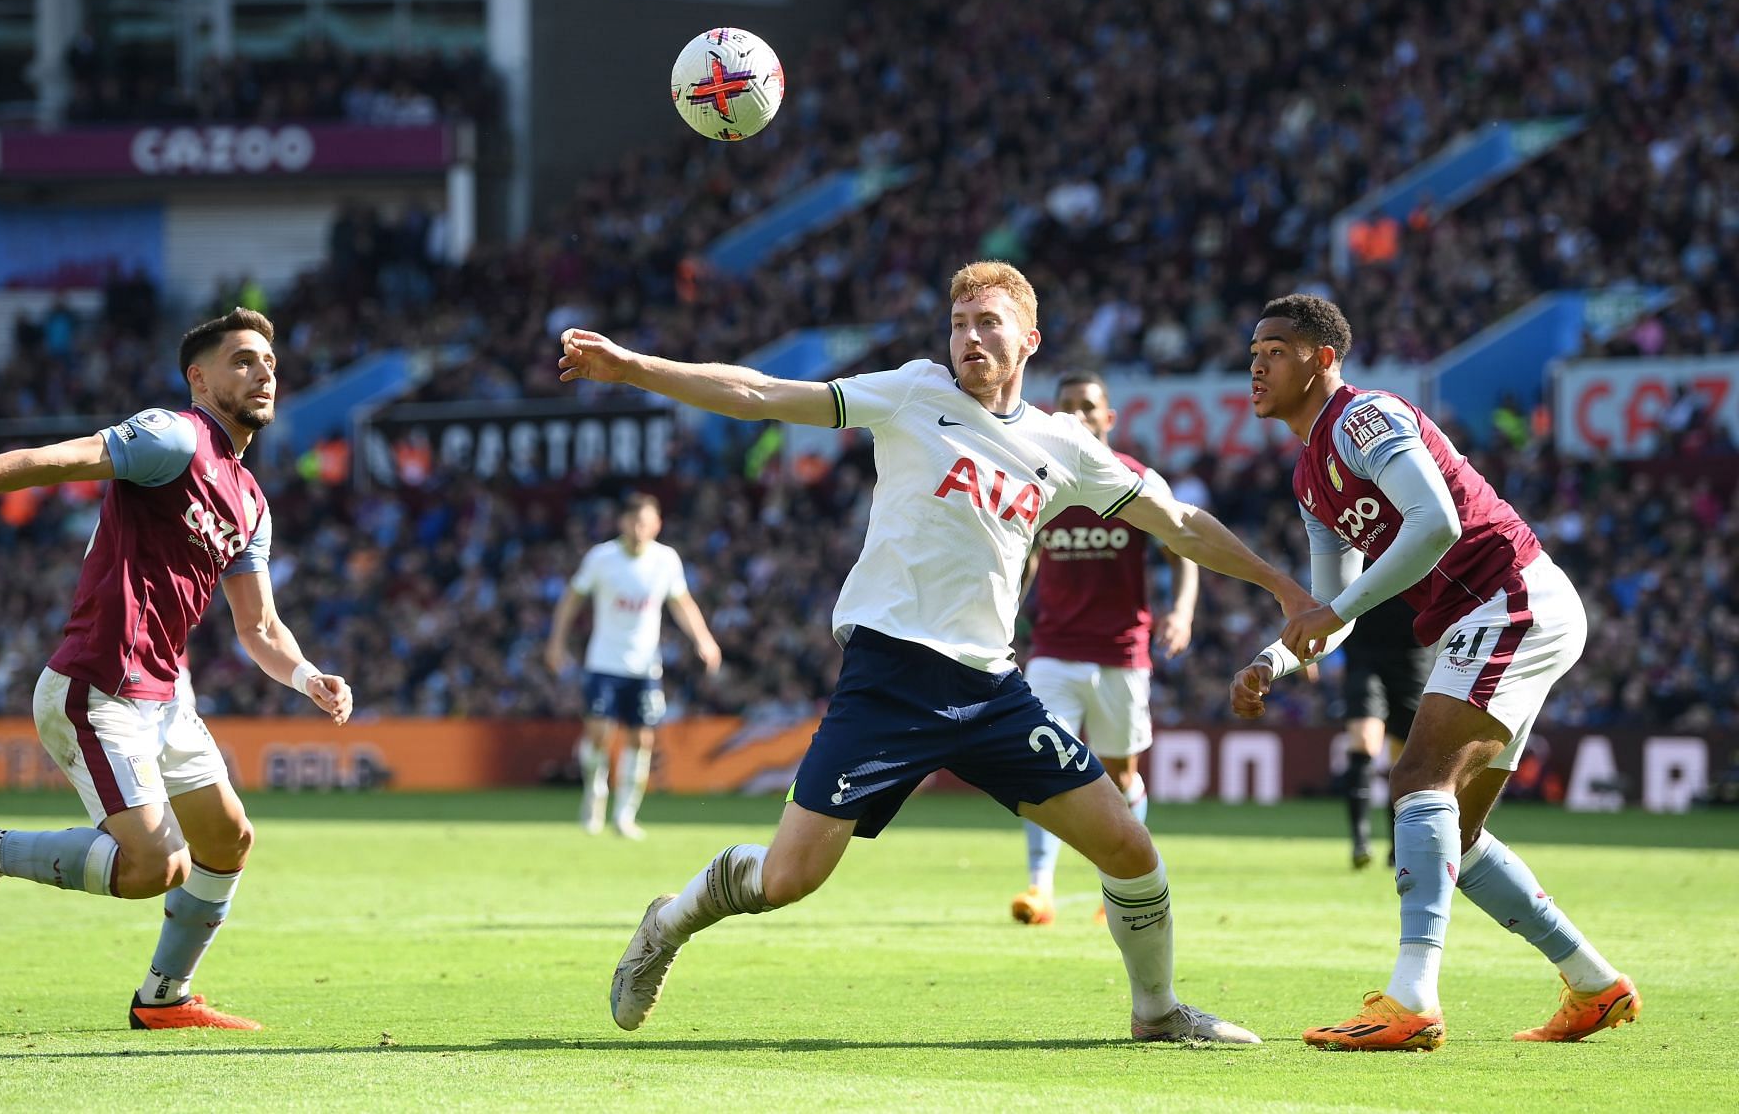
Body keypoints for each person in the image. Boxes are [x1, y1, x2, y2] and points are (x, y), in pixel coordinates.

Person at [561, 261, 1315, 1043]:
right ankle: (669, 920)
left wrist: (1282, 588)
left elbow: (1181, 522)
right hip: (890, 678)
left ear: (1030, 340)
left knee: (1129, 846)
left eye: (988, 322)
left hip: (992, 689)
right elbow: (759, 392)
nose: (969, 338)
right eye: (959, 324)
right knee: (788, 878)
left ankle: (1156, 1012)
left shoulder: (1065, 444)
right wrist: (632, 368)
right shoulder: (915, 392)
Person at [0, 308, 354, 1031]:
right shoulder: (174, 435)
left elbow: (257, 626)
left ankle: (165, 996)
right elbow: (62, 457)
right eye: (243, 360)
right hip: (97, 686)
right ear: (200, 376)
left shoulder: (251, 501)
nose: (263, 372)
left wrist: (307, 673)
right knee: (159, 866)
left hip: (164, 695)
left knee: (228, 839)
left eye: (269, 363)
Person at [1232, 294, 1639, 1050]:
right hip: (1498, 610)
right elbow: (1334, 609)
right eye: (1253, 350)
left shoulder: (1364, 418)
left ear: (1323, 358)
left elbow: (1438, 521)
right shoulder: (1309, 476)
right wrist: (1274, 659)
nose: (1257, 362)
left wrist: (1331, 612)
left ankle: (1413, 999)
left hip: (1507, 596)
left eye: (1277, 348)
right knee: (1462, 827)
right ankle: (1593, 982)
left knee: (1418, 779)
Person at [1010, 371, 1198, 926]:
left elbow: (1180, 546)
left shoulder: (1134, 480)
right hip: (1053, 649)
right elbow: (1028, 557)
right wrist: (1005, 612)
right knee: (1041, 768)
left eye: (1088, 407)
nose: (1077, 416)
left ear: (1108, 418)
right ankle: (1039, 889)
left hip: (1121, 653)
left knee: (1119, 778)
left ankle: (1121, 884)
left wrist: (1182, 611)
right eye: (1066, 406)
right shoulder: (1041, 480)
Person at [546, 492, 722, 839]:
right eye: (634, 521)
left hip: (644, 667)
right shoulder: (602, 558)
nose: (640, 528)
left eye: (647, 522)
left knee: (641, 739)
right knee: (599, 734)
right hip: (604, 662)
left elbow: (682, 602)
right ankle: (594, 792)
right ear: (623, 522)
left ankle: (625, 815)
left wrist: (704, 639)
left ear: (657, 524)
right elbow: (572, 598)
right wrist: (556, 642)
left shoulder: (666, 560)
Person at [1338, 597, 1428, 869]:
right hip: (1364, 654)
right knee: (1364, 739)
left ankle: (1397, 849)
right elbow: (1327, 587)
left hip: (1414, 654)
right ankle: (1360, 841)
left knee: (1405, 756)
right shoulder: (1353, 551)